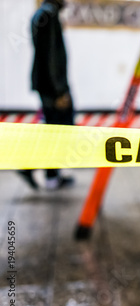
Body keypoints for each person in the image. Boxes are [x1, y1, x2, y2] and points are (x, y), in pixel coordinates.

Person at [18, 0, 75, 190]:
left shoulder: (43, 14)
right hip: (52, 87)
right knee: (60, 131)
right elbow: (51, 57)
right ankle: (40, 171)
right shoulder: (48, 16)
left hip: (47, 84)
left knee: (54, 130)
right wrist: (60, 91)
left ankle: (50, 174)